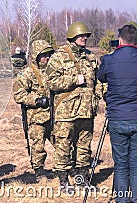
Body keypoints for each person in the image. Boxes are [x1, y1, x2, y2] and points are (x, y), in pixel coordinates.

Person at [46, 22, 102, 191]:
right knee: (64, 146)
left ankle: (82, 179)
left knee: (84, 147)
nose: (84, 38)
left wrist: (97, 95)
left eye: (86, 35)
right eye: (81, 35)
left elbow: (98, 80)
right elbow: (51, 82)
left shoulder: (91, 57)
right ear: (72, 37)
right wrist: (73, 80)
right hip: (66, 112)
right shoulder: (59, 57)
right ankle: (64, 182)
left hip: (86, 111)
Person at [97, 24, 137, 203]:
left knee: (121, 165)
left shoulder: (109, 59)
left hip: (117, 119)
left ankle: (122, 200)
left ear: (120, 39)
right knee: (135, 164)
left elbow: (101, 77)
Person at [13, 40, 54, 182]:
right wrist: (37, 100)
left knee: (62, 144)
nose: (47, 58)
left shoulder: (53, 71)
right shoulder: (28, 73)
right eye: (43, 55)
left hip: (54, 116)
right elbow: (18, 94)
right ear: (37, 56)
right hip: (36, 117)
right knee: (38, 147)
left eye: (49, 54)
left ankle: (67, 168)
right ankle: (39, 171)